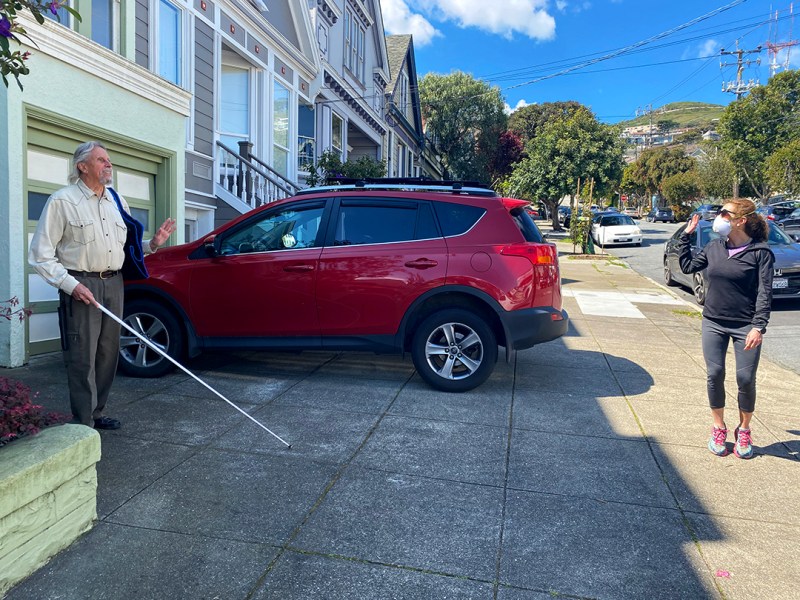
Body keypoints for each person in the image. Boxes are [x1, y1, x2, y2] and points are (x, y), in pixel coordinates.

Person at [28, 141, 177, 430]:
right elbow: (40, 255)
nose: (108, 164)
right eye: (101, 160)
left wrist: (152, 244)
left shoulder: (116, 200)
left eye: (108, 160)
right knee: (82, 355)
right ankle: (83, 421)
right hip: (81, 284)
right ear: (82, 166)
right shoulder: (63, 201)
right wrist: (71, 286)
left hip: (114, 283)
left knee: (108, 353)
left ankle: (97, 413)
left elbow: (126, 247)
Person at [678, 198, 774, 459]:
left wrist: (758, 327)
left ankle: (744, 430)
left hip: (745, 326)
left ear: (741, 221)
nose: (719, 217)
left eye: (724, 213)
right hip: (713, 322)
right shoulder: (714, 247)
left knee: (745, 379)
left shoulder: (760, 253)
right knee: (715, 373)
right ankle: (718, 427)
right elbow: (686, 266)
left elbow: (765, 293)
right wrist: (686, 236)